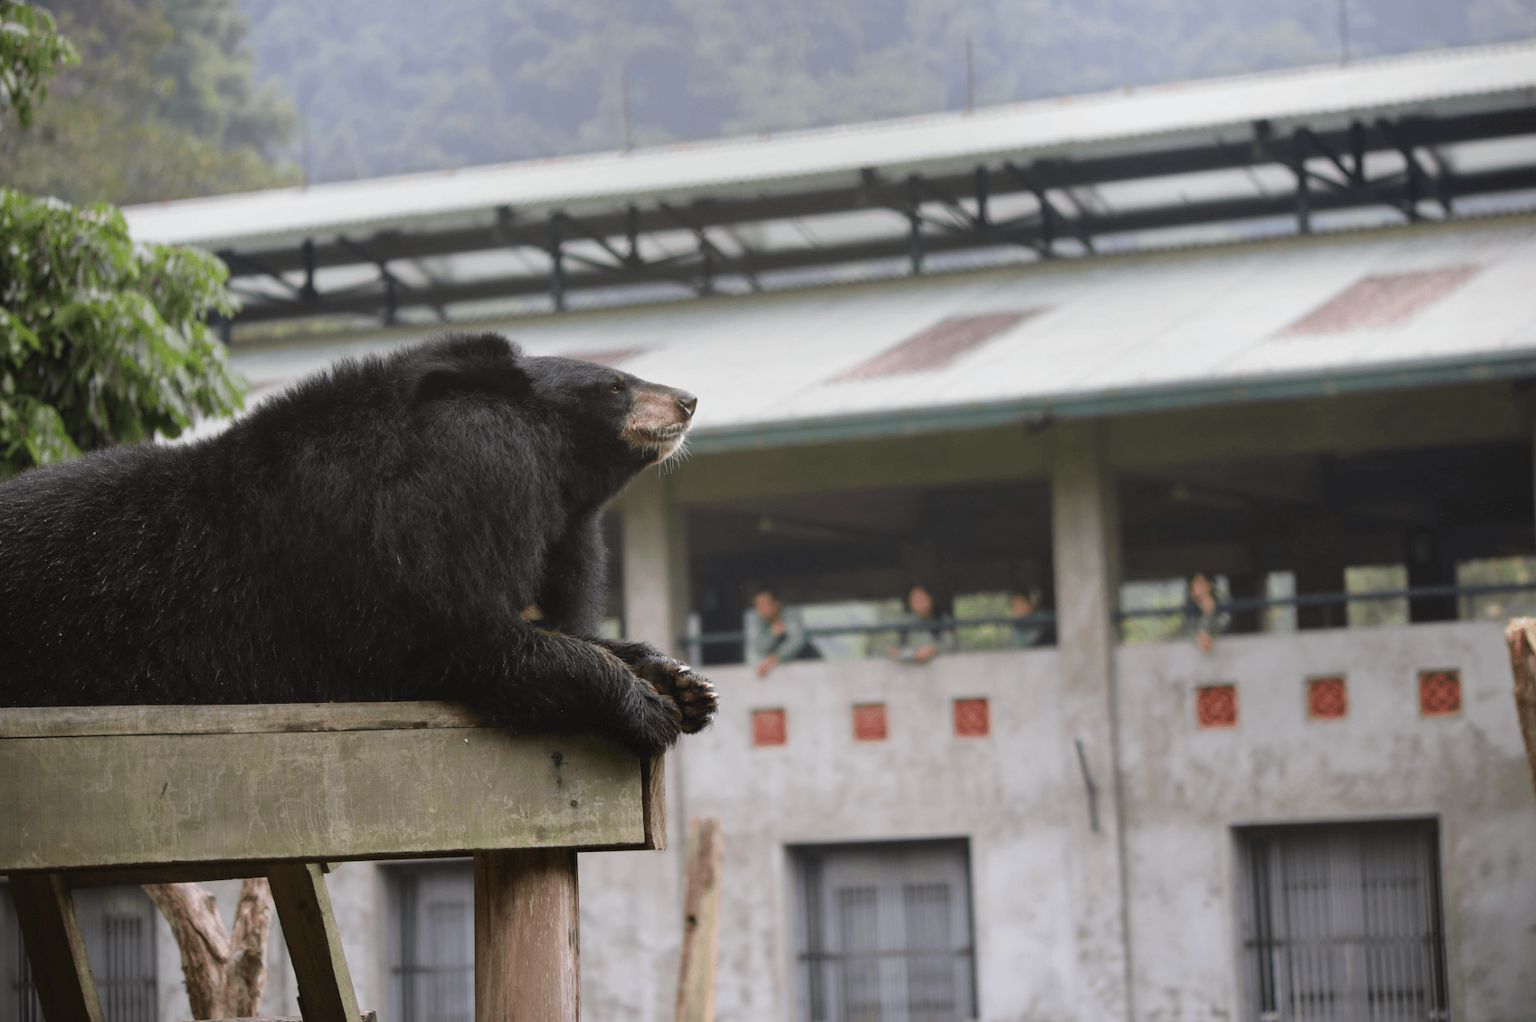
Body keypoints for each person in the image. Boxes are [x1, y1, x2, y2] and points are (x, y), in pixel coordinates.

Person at [744, 589, 819, 678]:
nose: (762, 608)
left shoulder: (790, 613)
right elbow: (759, 647)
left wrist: (773, 659)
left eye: (765, 604)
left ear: (777, 603)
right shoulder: (755, 619)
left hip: (807, 665)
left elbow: (797, 641)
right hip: (781, 673)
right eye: (758, 605)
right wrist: (772, 634)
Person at [887, 585, 955, 664]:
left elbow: (950, 644)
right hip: (912, 670)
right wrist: (896, 651)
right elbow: (894, 644)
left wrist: (933, 650)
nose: (918, 603)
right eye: (914, 600)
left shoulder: (942, 619)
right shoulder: (906, 622)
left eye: (921, 598)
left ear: (930, 599)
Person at [1184, 573, 1228, 653]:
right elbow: (1187, 632)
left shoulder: (1222, 607)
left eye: (1204, 583)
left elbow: (1225, 628)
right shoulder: (1189, 612)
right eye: (1198, 584)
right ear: (1192, 591)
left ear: (1210, 586)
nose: (1202, 587)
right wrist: (1199, 637)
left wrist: (1209, 614)